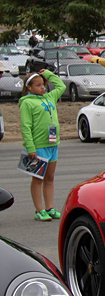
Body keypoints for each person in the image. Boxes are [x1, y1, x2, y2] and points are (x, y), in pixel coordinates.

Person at [19, 69, 66, 221]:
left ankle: (50, 208)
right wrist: (30, 147)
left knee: (50, 177)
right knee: (37, 178)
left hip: (52, 145)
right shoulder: (27, 103)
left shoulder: (49, 97)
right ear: (29, 88)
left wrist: (48, 74)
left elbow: (61, 86)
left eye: (43, 84)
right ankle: (39, 210)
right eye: (38, 85)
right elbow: (25, 126)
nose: (42, 87)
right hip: (38, 147)